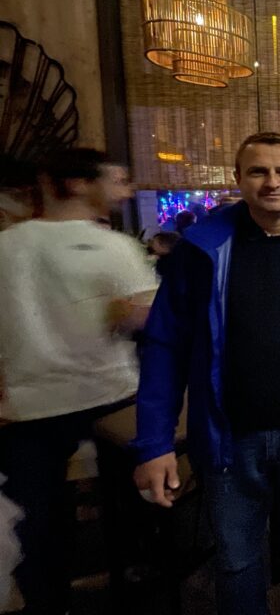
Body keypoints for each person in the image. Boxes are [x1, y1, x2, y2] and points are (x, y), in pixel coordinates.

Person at [132, 132, 280, 615]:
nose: (272, 182)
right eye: (258, 171)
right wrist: (155, 442)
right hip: (229, 435)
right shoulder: (201, 251)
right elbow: (164, 346)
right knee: (237, 560)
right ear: (239, 178)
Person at [0, 148, 156, 615]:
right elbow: (148, 316)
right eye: (117, 179)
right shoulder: (113, 246)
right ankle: (133, 582)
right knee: (129, 500)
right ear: (77, 184)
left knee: (38, 517)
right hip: (110, 393)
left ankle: (49, 601)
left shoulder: (6, 244)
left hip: (27, 401)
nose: (125, 189)